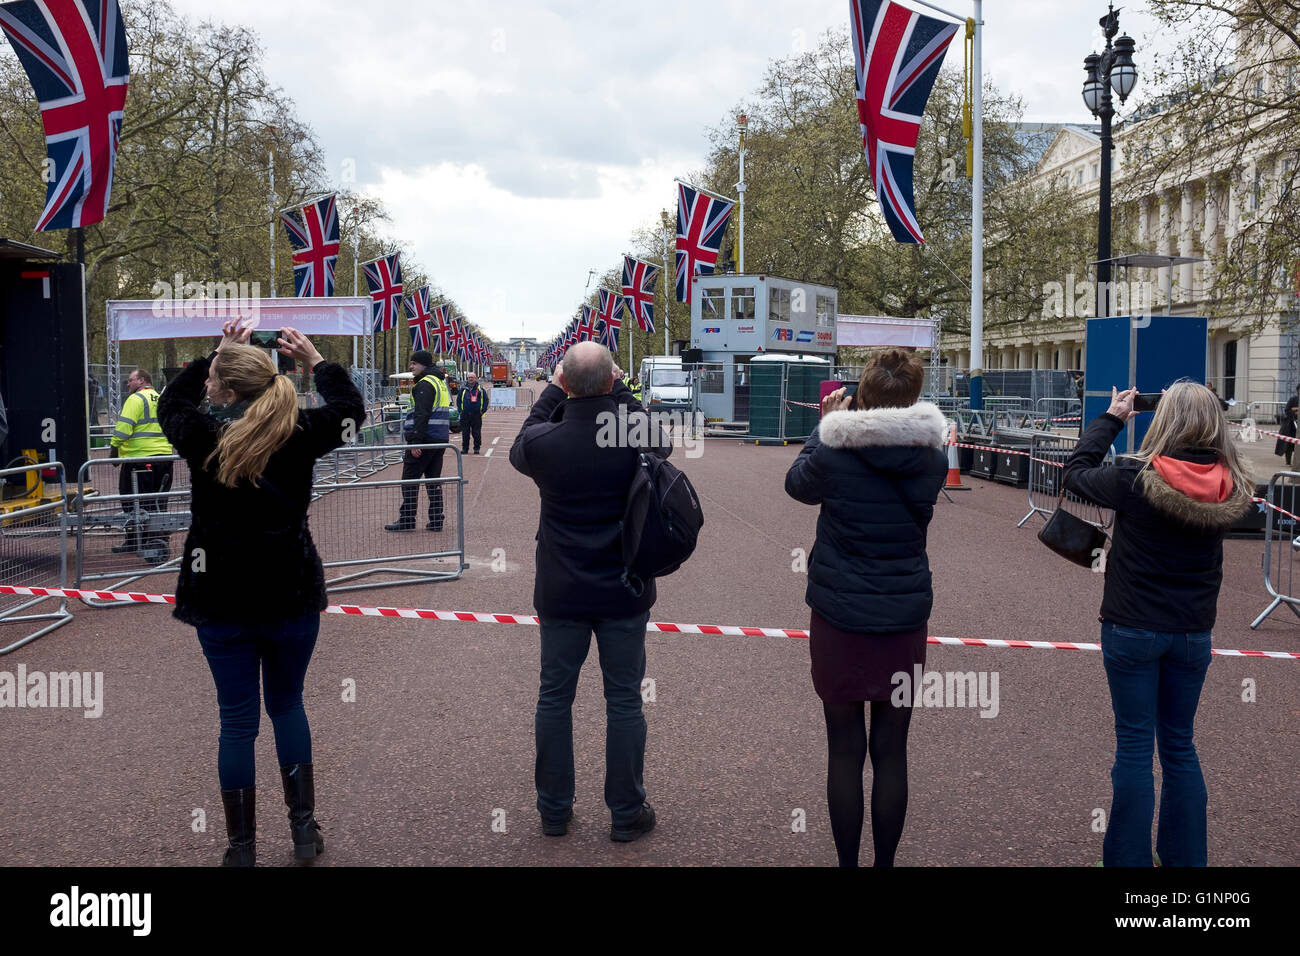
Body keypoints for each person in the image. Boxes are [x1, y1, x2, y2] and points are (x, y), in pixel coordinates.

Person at [158, 320, 365, 867]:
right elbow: (349, 408)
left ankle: (242, 847)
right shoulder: (297, 431)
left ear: (225, 389)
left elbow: (171, 402)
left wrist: (219, 352)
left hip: (221, 598)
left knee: (237, 722)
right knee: (288, 706)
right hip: (289, 593)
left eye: (215, 384)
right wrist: (317, 358)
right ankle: (302, 831)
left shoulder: (203, 433)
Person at [1063, 382, 1252, 867]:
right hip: (1192, 633)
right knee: (1179, 746)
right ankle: (1185, 861)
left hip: (1131, 626)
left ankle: (1128, 862)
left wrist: (1112, 418)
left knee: (1133, 747)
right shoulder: (1228, 483)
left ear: (1163, 419)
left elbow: (1075, 472)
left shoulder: (1135, 479)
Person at [784, 349, 948, 867]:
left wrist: (827, 426)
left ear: (863, 393)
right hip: (902, 614)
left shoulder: (835, 450)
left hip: (839, 614)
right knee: (893, 749)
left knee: (845, 748)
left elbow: (797, 485)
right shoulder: (933, 456)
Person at [509, 341, 668, 843]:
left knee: (554, 699)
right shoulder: (630, 429)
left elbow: (523, 438)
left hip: (562, 588)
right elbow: (659, 439)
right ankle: (626, 811)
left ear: (562, 383)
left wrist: (557, 390)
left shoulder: (546, 442)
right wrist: (616, 389)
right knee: (624, 700)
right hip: (624, 585)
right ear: (610, 382)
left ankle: (554, 810)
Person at [109, 368, 174, 560]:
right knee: (159, 501)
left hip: (139, 459)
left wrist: (114, 449)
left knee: (132, 501)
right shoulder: (162, 399)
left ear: (142, 380)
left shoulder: (136, 399)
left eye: (130, 380)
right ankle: (154, 540)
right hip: (163, 458)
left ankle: (137, 541)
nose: (128, 384)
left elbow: (123, 428)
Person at [386, 350, 450, 532]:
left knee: (409, 480)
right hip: (439, 439)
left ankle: (407, 520)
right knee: (433, 481)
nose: (411, 367)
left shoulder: (425, 384)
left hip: (425, 439)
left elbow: (422, 414)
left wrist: (416, 442)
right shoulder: (439, 382)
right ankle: (437, 520)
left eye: (414, 363)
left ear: (423, 365)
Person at [458, 371, 489, 454]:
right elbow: (458, 400)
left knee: (476, 433)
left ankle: (476, 448)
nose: (470, 379)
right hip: (465, 415)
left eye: (472, 377)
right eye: (469, 377)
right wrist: (460, 411)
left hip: (476, 415)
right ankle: (465, 448)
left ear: (475, 379)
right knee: (465, 433)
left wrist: (482, 411)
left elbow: (486, 400)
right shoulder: (463, 389)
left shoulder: (480, 390)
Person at [1275, 384, 1298, 467]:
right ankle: (1288, 461)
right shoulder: (1293, 399)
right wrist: (1296, 410)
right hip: (1291, 425)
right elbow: (1287, 410)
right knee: (1289, 443)